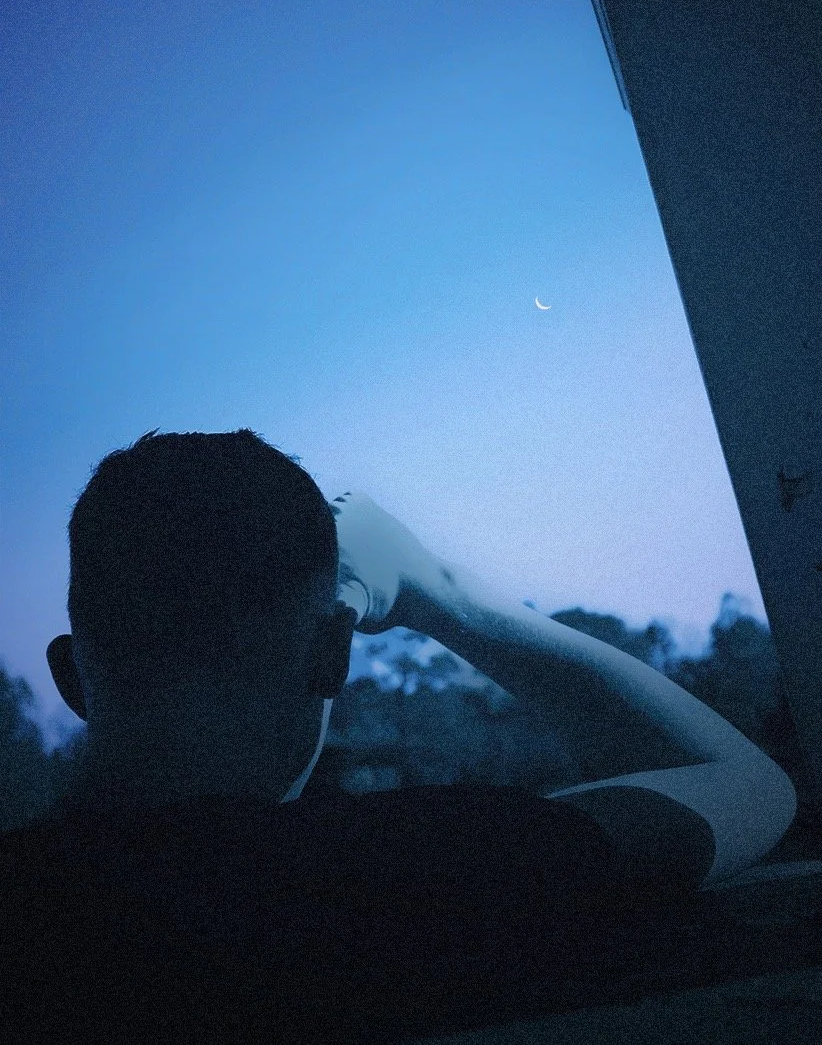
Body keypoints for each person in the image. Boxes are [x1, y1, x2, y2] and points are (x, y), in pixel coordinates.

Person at [1, 429, 797, 1042]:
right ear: (333, 653)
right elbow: (744, 779)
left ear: (72, 676)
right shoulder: (400, 872)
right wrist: (440, 592)